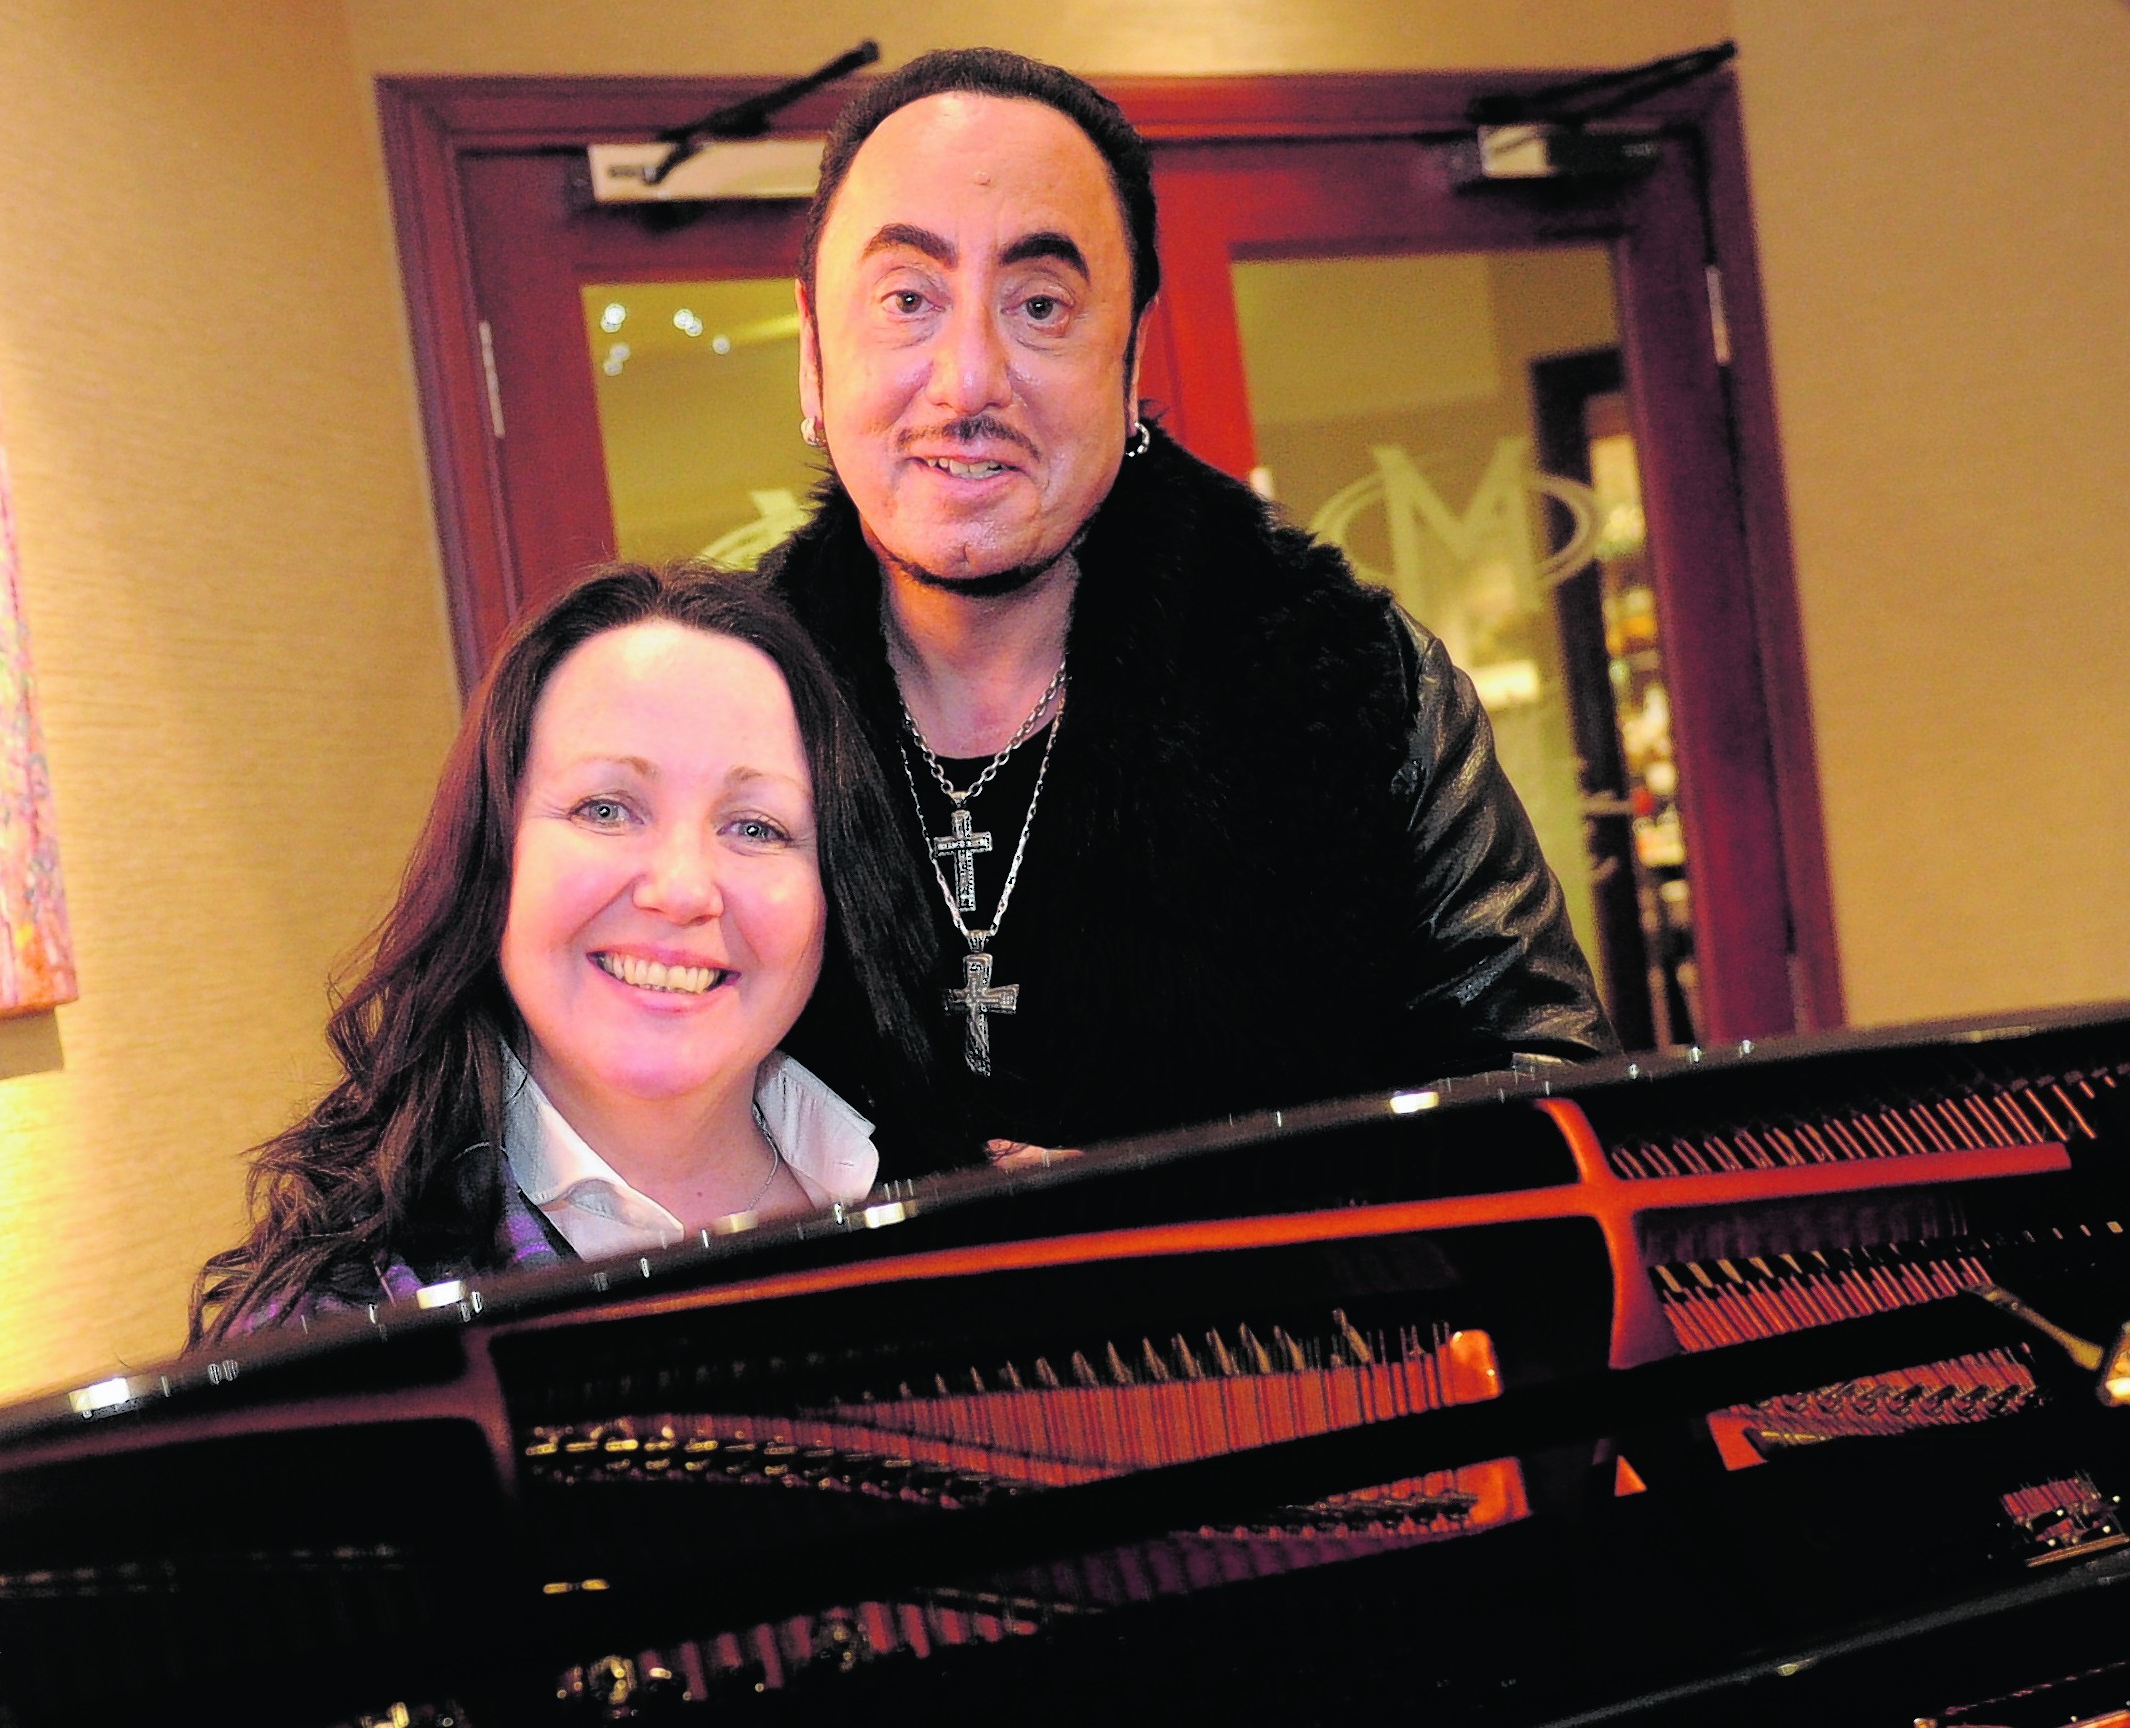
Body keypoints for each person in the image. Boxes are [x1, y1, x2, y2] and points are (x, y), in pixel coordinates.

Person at [766, 48, 1616, 1153]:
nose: (967, 379)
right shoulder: (716, 712)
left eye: (1038, 304)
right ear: (812, 359)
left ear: (1129, 364)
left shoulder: (1346, 684)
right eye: (905, 299)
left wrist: (1202, 1213)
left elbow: (1557, 1104)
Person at [191, 564, 941, 1343]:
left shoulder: (941, 1198)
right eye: (606, 808)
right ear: (495, 859)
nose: (682, 889)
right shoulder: (339, 1330)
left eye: (756, 826)